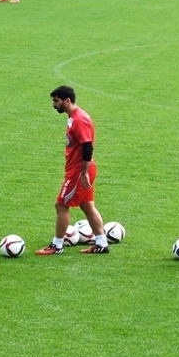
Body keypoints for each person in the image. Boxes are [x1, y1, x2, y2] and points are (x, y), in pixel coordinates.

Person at [36, 86, 110, 255]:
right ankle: (101, 243)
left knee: (61, 205)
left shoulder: (79, 119)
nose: (54, 105)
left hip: (79, 171)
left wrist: (83, 172)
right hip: (80, 169)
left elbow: (87, 147)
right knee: (87, 205)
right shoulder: (73, 117)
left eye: (56, 101)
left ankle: (57, 245)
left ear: (67, 100)